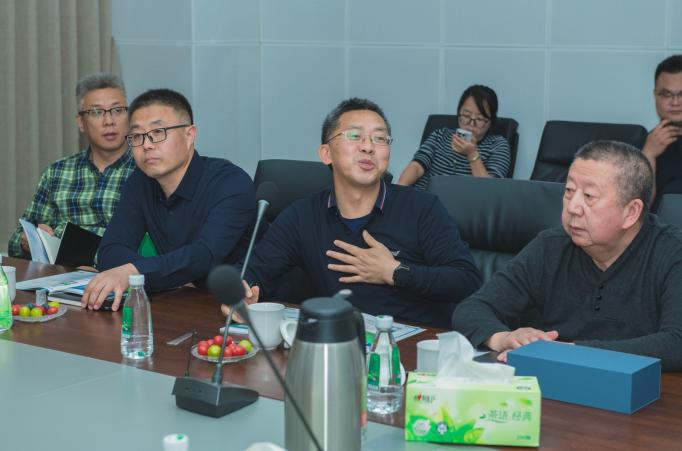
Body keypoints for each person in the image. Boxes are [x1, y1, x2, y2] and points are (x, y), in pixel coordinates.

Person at [224, 98, 483, 329]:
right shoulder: (303, 216)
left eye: (380, 138)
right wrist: (241, 292)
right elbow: (252, 269)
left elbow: (466, 280)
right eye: (355, 136)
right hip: (338, 345)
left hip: (412, 351)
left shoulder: (422, 208)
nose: (368, 147)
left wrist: (396, 272)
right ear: (326, 154)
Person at [452, 141, 682, 371]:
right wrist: (503, 338)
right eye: (569, 191)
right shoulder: (551, 246)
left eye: (589, 196)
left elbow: (676, 343)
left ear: (631, 212)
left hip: (646, 389)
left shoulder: (672, 252)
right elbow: (472, 308)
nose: (573, 207)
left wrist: (568, 353)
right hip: (554, 382)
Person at [81, 89, 257, 311]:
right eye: (137, 136)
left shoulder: (230, 183)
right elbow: (110, 251)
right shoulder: (140, 181)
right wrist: (169, 275)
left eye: (157, 132)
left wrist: (137, 271)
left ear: (189, 135)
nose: (147, 145)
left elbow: (205, 255)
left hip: (244, 309)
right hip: (179, 304)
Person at [7, 73, 135, 258]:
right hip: (62, 274)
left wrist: (66, 240)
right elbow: (15, 242)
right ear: (81, 123)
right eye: (96, 112)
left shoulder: (146, 171)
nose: (109, 121)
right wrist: (28, 240)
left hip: (121, 272)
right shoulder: (57, 173)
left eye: (117, 110)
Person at [397, 85, 511, 189]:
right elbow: (416, 167)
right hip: (424, 197)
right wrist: (398, 191)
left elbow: (490, 191)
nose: (471, 124)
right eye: (466, 115)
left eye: (480, 119)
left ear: (491, 121)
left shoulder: (498, 145)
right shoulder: (440, 135)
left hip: (461, 203)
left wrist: (472, 154)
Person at [642, 54, 682, 210]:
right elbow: (639, 209)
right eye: (666, 94)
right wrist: (648, 155)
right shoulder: (644, 144)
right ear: (655, 96)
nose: (675, 102)